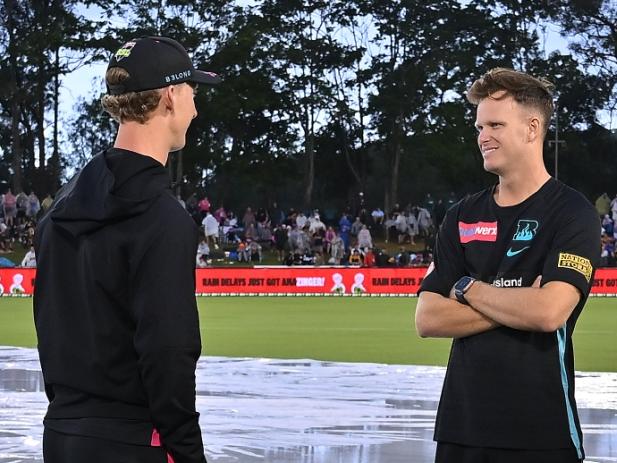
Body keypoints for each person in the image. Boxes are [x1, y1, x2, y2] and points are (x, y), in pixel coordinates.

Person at [34, 36, 221, 463]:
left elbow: (50, 324)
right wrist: (188, 452)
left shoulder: (58, 210)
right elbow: (169, 353)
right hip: (133, 440)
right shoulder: (163, 220)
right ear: (171, 97)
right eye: (193, 92)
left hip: (62, 433)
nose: (195, 107)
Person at [415, 68, 599, 463]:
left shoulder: (573, 213)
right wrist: (519, 302)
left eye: (496, 124)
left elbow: (549, 312)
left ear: (532, 129)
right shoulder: (460, 215)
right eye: (479, 126)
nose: (483, 136)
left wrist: (466, 289)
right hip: (460, 430)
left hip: (541, 433)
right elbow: (428, 319)